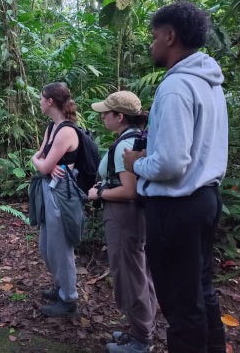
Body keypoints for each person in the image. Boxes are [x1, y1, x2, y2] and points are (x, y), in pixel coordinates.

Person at [123, 2, 228, 353]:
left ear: (170, 36)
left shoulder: (176, 87)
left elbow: (170, 164)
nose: (151, 45)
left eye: (154, 37)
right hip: (206, 200)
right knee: (201, 291)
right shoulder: (210, 83)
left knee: (181, 304)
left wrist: (136, 163)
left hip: (176, 207)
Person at [88, 91, 156, 353]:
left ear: (119, 117)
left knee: (130, 275)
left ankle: (141, 340)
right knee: (139, 272)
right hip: (132, 216)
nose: (102, 116)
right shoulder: (135, 139)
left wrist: (99, 193)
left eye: (106, 112)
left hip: (123, 216)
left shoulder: (124, 147)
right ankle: (140, 330)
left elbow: (130, 190)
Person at [31, 82, 82, 317]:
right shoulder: (52, 128)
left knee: (61, 247)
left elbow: (42, 164)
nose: (39, 102)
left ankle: (69, 298)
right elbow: (41, 159)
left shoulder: (66, 131)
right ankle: (61, 287)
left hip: (62, 194)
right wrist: (43, 163)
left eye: (41, 98)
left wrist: (43, 164)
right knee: (47, 246)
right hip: (48, 191)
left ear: (50, 101)